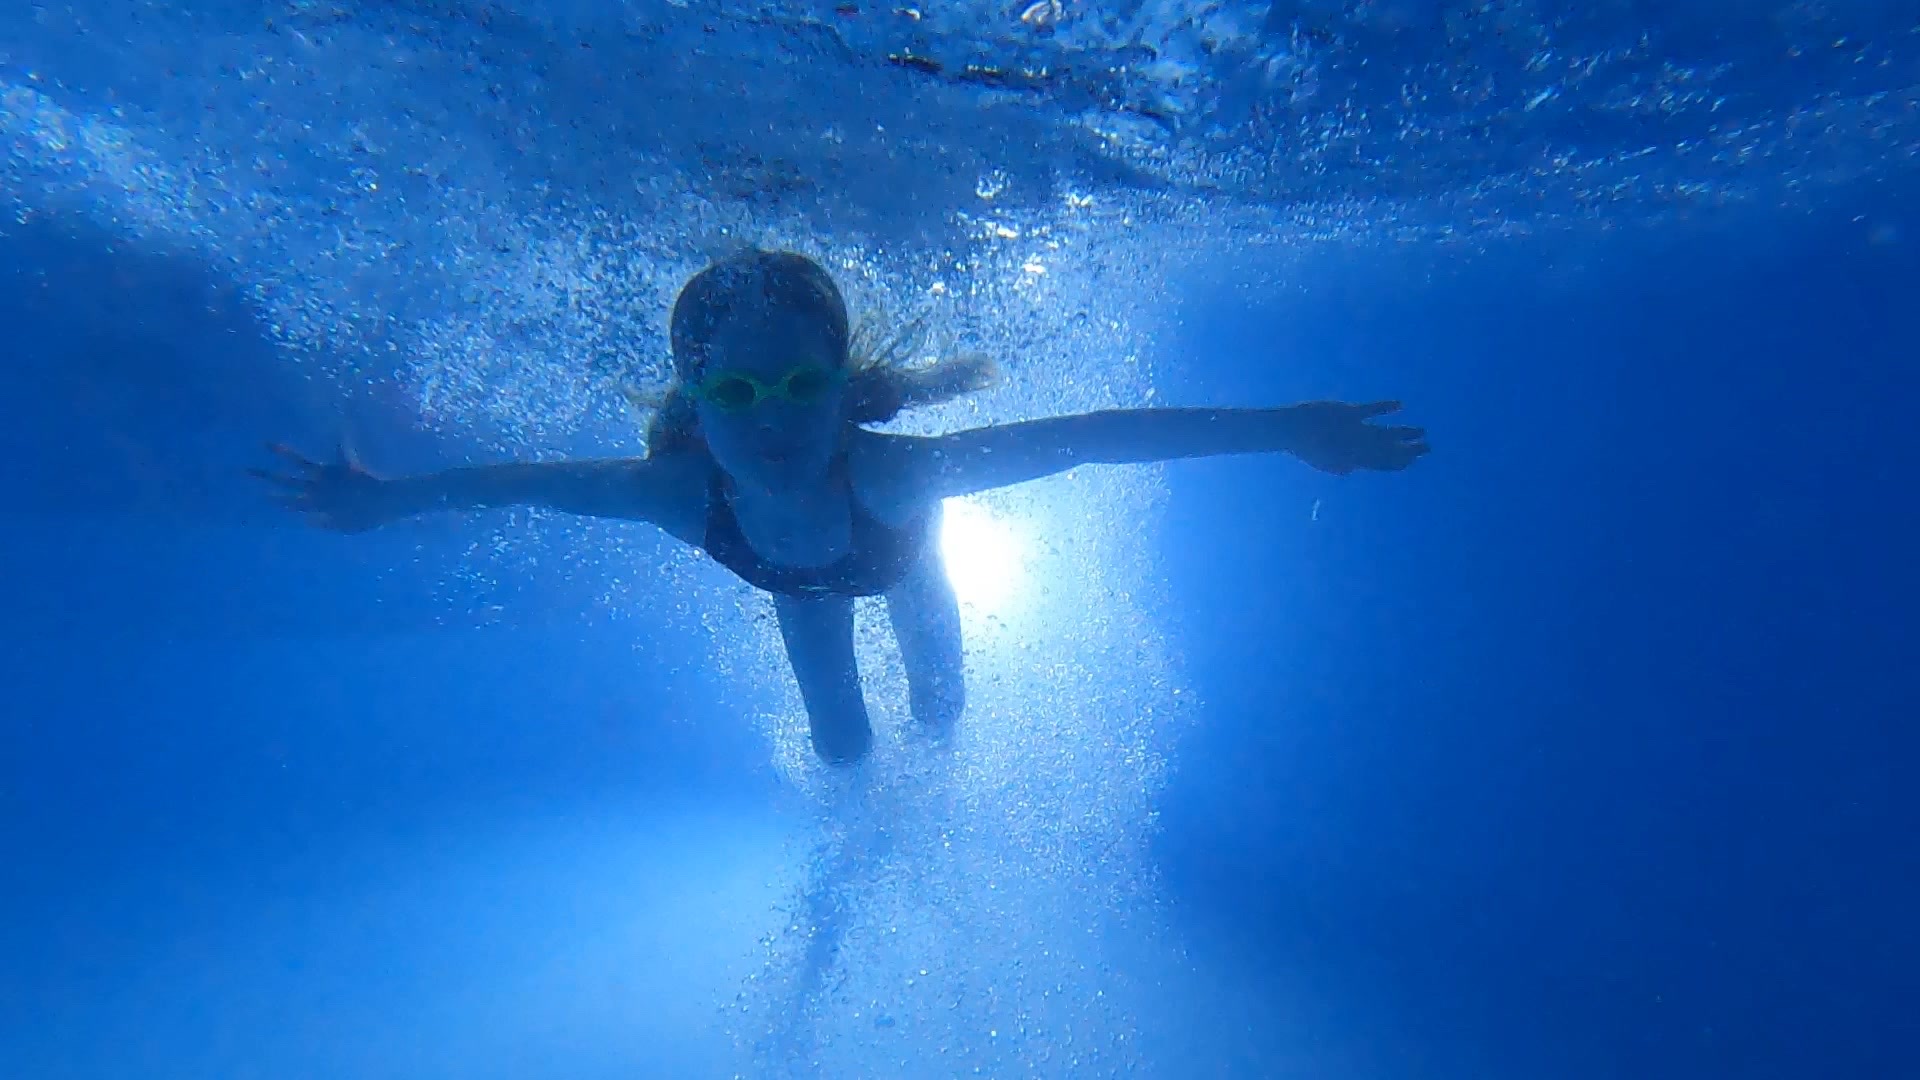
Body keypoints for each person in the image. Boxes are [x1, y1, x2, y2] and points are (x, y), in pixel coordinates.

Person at [253, 249, 1428, 766]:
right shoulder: (676, 491)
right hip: (794, 589)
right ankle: (866, 849)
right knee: (843, 745)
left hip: (900, 559)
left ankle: (945, 783)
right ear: (696, 402)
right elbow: (521, 487)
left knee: (940, 702)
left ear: (843, 393)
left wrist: (1290, 427)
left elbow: (1086, 444)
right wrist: (386, 504)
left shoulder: (892, 475)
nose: (773, 420)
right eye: (738, 391)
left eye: (805, 385)